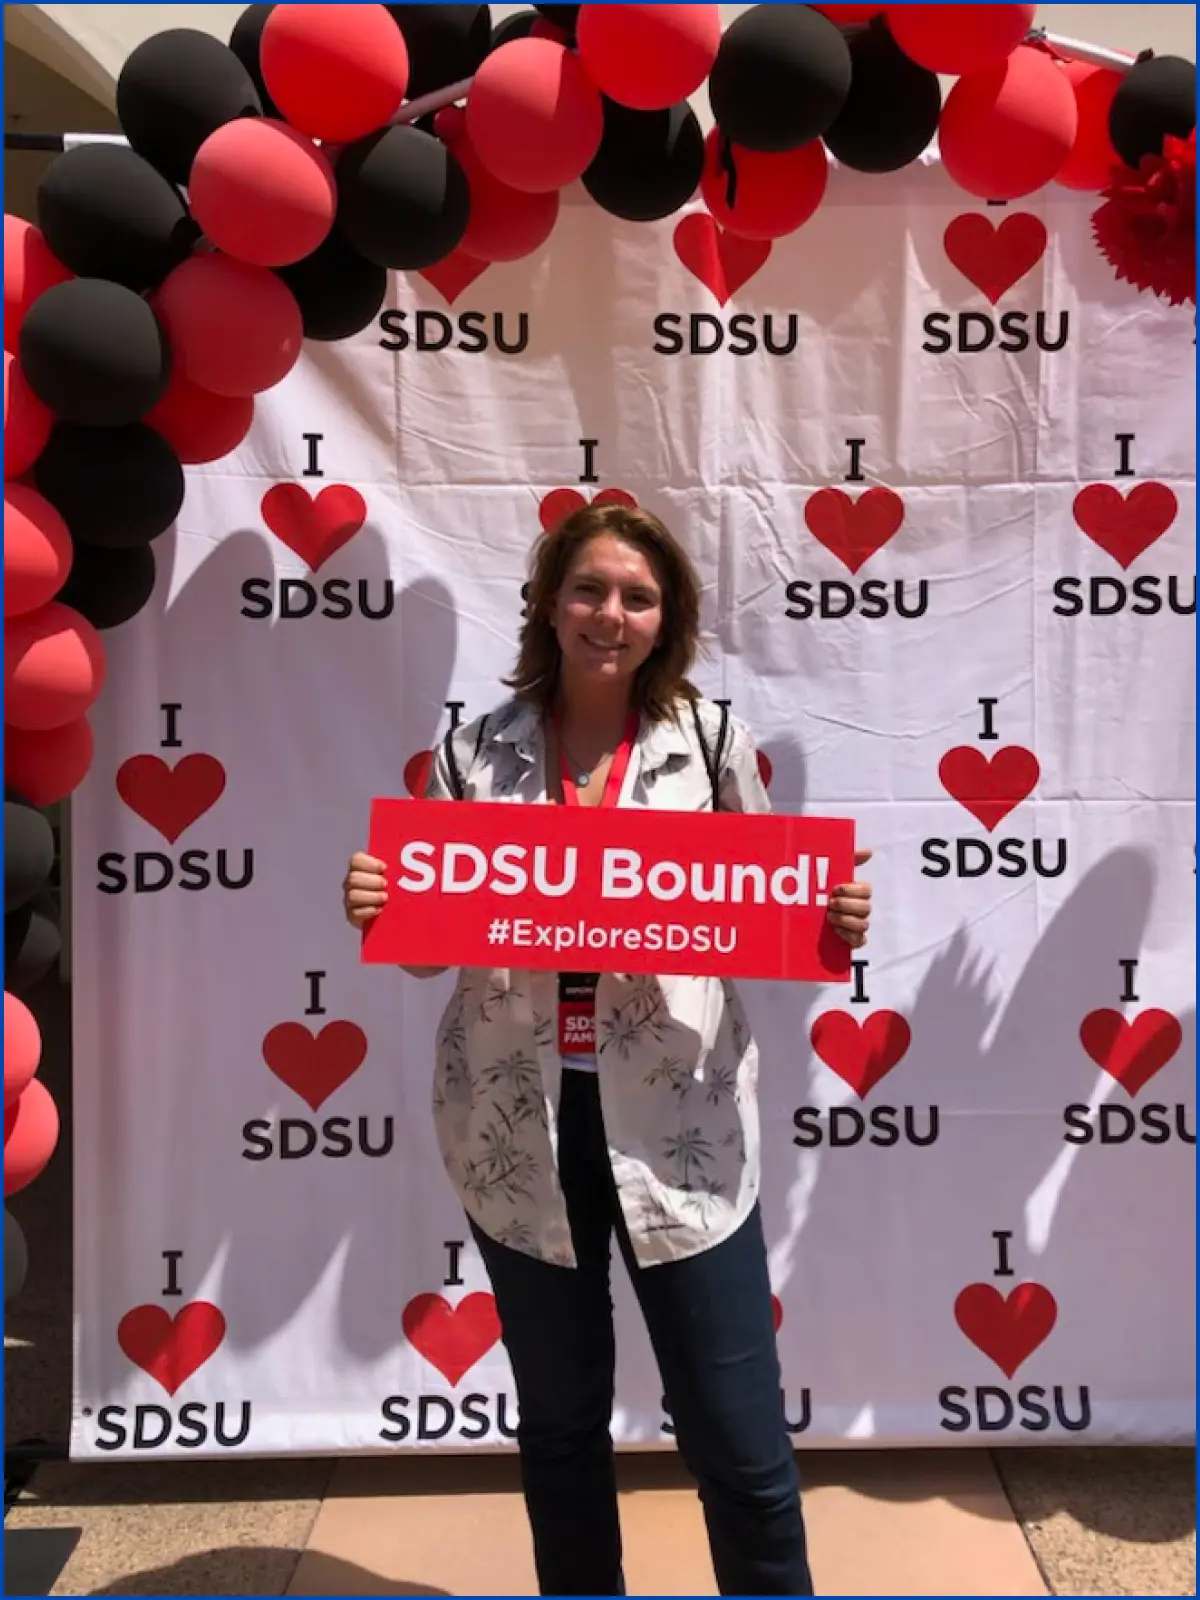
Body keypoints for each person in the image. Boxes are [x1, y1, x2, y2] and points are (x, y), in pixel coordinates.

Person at [343, 504, 873, 1597]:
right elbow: (421, 956)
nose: (610, 615)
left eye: (636, 596)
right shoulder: (470, 754)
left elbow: (769, 917)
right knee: (563, 1429)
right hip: (517, 1130)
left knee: (738, 1442)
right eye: (589, 589)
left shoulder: (710, 742)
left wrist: (832, 915)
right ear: (548, 600)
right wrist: (380, 907)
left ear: (664, 616)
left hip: (682, 1127)